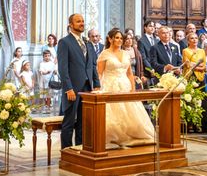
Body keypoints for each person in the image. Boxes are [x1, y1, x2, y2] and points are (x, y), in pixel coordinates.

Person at [97, 28, 154, 146]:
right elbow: (99, 73)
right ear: (110, 39)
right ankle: (115, 136)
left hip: (125, 84)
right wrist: (99, 87)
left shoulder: (125, 53)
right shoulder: (104, 54)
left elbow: (129, 73)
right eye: (117, 38)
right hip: (110, 85)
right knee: (114, 113)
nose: (119, 40)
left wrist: (133, 88)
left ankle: (131, 134)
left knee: (131, 112)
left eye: (121, 38)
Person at [58, 14, 100, 149]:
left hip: (87, 88)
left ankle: (80, 149)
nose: (81, 23)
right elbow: (63, 69)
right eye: (78, 21)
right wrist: (68, 88)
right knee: (69, 122)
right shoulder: (65, 42)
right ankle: (67, 151)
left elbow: (93, 66)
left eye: (82, 21)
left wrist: (97, 84)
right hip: (73, 88)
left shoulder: (88, 43)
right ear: (70, 24)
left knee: (83, 122)